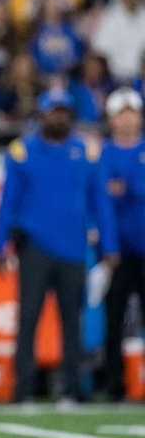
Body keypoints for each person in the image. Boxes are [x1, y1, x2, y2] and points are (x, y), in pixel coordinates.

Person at [0, 90, 119, 404]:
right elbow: (8, 201)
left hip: (74, 247)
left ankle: (72, 389)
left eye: (64, 111)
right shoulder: (23, 151)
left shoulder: (87, 151)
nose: (59, 117)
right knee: (28, 318)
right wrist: (0, 244)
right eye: (53, 111)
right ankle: (22, 389)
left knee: (72, 321)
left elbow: (101, 203)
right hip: (34, 245)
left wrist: (109, 246)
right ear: (42, 114)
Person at [97, 88, 145, 402]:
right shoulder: (103, 153)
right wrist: (108, 246)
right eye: (121, 114)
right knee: (113, 318)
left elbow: (130, 189)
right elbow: (101, 199)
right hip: (117, 250)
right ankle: (113, 383)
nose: (127, 119)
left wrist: (125, 187)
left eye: (132, 113)